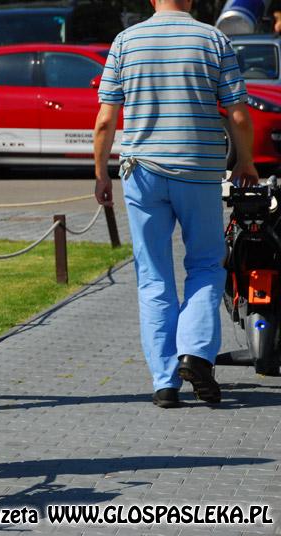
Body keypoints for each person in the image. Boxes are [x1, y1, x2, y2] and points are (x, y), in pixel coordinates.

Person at [93, 0, 258, 409]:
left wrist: (100, 173)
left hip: (142, 171)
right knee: (205, 263)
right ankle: (195, 353)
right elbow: (237, 114)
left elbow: (105, 120)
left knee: (153, 275)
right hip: (197, 170)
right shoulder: (214, 40)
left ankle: (164, 380)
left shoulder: (125, 41)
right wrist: (247, 161)